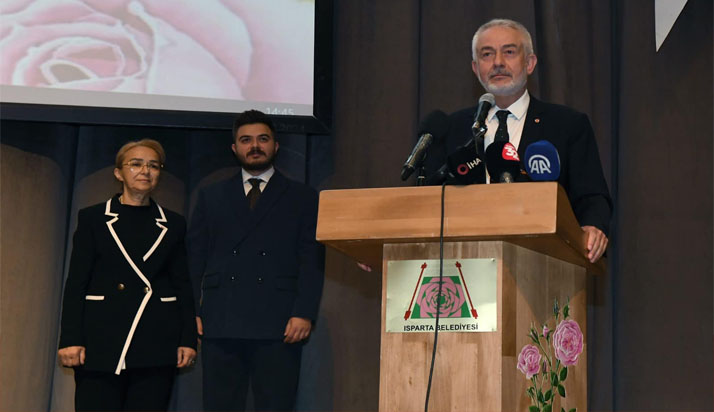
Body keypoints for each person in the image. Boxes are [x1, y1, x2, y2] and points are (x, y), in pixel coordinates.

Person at [424, 18, 612, 263]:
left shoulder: (567, 125)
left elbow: (591, 196)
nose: (498, 63)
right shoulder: (451, 128)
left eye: (509, 52)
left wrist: (592, 227)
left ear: (530, 63)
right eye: (487, 54)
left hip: (542, 262)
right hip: (463, 263)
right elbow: (424, 198)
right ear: (475, 67)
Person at [188, 110, 325, 411]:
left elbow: (311, 259)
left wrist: (304, 312)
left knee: (276, 404)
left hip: (279, 321)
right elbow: (193, 259)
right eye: (246, 140)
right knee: (219, 405)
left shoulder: (302, 197)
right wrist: (191, 312)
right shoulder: (211, 196)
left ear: (276, 146)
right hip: (221, 319)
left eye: (263, 139)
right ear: (234, 148)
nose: (255, 146)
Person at [58, 139, 198, 411]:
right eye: (136, 164)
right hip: (101, 341)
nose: (145, 171)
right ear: (119, 173)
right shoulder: (93, 218)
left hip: (156, 340)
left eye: (153, 165)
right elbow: (76, 283)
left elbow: (182, 284)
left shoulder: (173, 223)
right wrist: (71, 339)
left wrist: (187, 339)